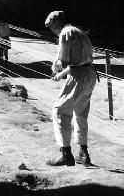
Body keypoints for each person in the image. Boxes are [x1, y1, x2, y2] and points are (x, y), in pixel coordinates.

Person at [45, 10, 97, 167]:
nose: (52, 31)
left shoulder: (65, 33)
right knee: (80, 114)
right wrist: (62, 75)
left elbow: (63, 60)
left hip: (79, 76)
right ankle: (84, 154)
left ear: (55, 24)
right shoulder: (80, 32)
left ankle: (66, 154)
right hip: (90, 74)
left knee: (59, 111)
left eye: (51, 27)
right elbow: (81, 60)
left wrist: (55, 68)